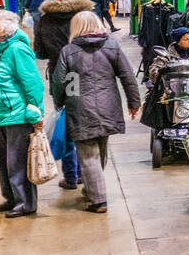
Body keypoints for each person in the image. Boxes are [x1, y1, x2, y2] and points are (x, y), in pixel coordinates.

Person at [50, 11, 141, 214]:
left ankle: (99, 200)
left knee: (88, 154)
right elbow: (127, 76)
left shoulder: (69, 51)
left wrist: (59, 102)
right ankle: (93, 189)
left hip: (80, 108)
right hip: (109, 107)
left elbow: (59, 82)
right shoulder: (111, 46)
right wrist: (134, 102)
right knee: (99, 149)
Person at [0, 9, 46, 218]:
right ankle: (11, 198)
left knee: (17, 161)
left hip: (17, 114)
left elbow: (32, 83)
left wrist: (36, 113)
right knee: (4, 161)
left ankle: (25, 202)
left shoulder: (17, 50)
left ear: (3, 30)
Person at [33, 0, 97, 74]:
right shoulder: (87, 17)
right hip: (85, 71)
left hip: (57, 71)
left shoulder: (45, 18)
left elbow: (40, 52)